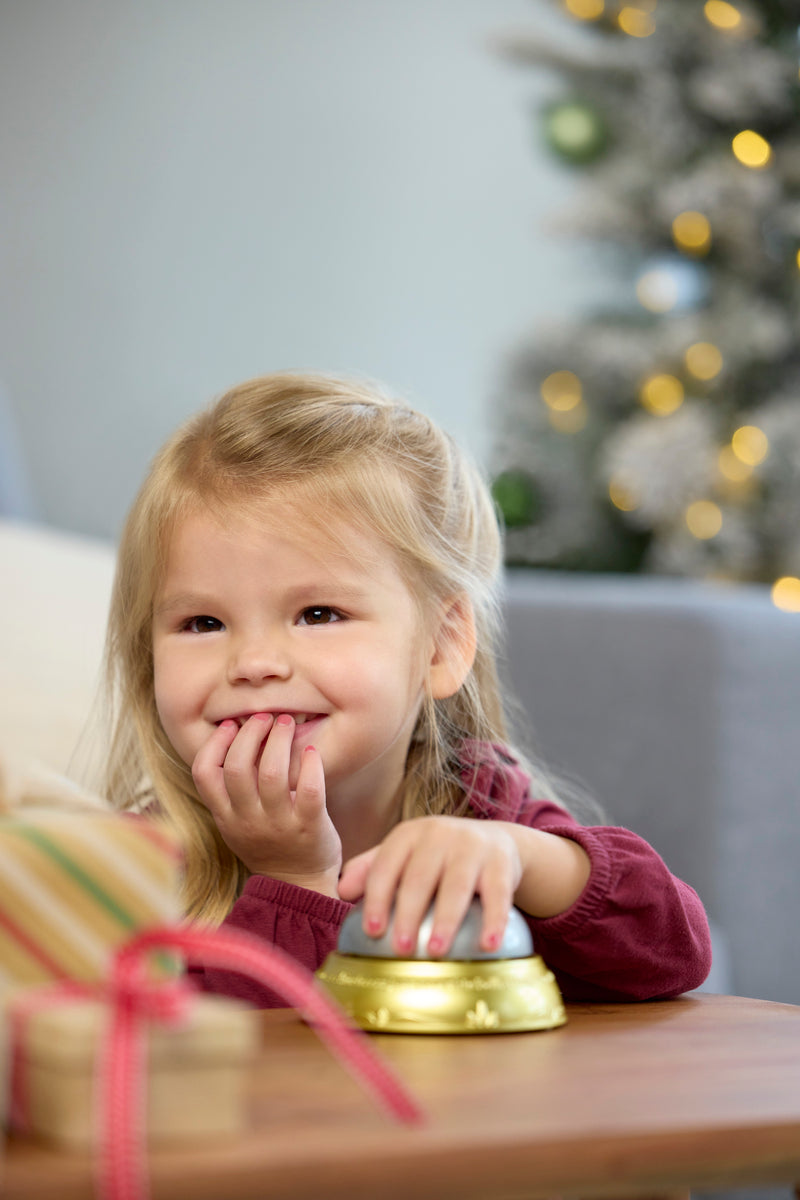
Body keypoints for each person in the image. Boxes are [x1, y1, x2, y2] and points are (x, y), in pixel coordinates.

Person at [102, 371, 711, 1006]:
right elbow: (242, 1073)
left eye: (318, 614)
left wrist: (521, 856)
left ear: (441, 645)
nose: (253, 663)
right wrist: (293, 879)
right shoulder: (131, 867)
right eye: (203, 622)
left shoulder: (477, 801)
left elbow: (676, 955)